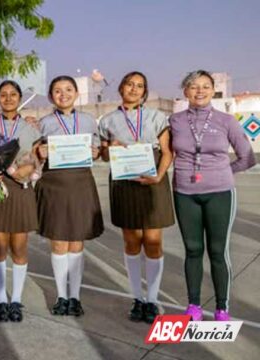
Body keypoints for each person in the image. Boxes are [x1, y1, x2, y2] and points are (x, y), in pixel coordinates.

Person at [170, 70, 256, 321]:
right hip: (185, 193)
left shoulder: (226, 120)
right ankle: (194, 305)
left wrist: (223, 173)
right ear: (185, 91)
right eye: (194, 86)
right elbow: (163, 152)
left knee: (218, 251)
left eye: (205, 86)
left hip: (219, 193)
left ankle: (222, 307)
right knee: (193, 249)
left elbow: (247, 157)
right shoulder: (174, 120)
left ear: (213, 90)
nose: (200, 91)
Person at [99, 71, 175, 324]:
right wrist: (110, 150)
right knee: (132, 241)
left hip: (153, 178)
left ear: (145, 92)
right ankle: (137, 299)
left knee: (152, 241)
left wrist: (159, 175)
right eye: (130, 84)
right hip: (123, 180)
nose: (134, 88)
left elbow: (167, 151)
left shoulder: (158, 117)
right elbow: (104, 156)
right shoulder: (107, 120)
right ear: (121, 87)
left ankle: (152, 300)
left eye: (140, 85)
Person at [36, 76, 104, 317]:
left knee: (76, 241)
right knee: (58, 241)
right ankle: (61, 297)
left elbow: (97, 151)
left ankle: (75, 297)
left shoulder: (88, 121)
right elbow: (34, 156)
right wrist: (39, 152)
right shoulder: (43, 123)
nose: (62, 94)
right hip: (54, 185)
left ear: (76, 93)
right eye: (57, 90)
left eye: (67, 90)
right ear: (51, 96)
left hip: (80, 183)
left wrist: (96, 152)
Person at [0, 80, 41, 322]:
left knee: (19, 247)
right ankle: (2, 299)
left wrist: (29, 169)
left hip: (20, 190)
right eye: (3, 95)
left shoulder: (30, 128)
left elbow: (37, 159)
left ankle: (16, 300)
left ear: (19, 97)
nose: (8, 98)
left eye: (12, 94)